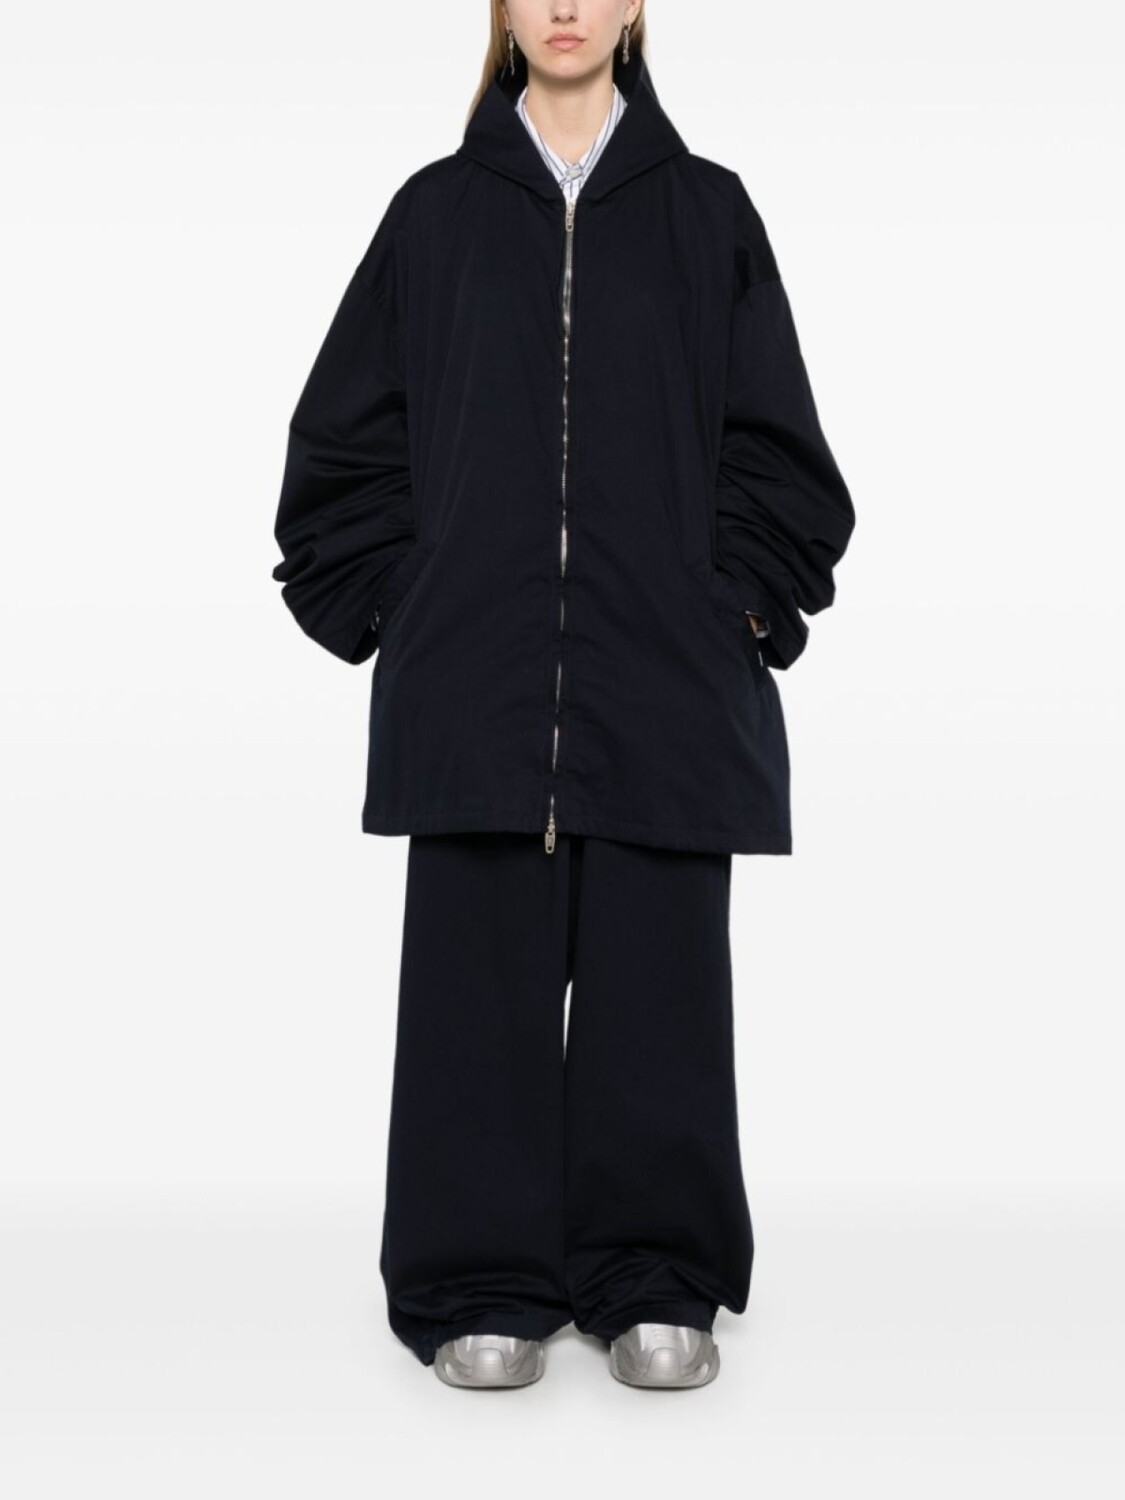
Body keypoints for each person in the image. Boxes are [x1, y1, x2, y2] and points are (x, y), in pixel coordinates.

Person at [271, 0, 855, 1390]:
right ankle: (479, 1279)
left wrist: (737, 606)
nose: (568, 6)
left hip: (668, 685)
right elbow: (342, 446)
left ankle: (654, 1274)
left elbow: (779, 450)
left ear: (637, 4)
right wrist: (402, 607)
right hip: (474, 692)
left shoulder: (709, 214)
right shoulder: (434, 216)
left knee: (662, 1002)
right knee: (473, 1006)